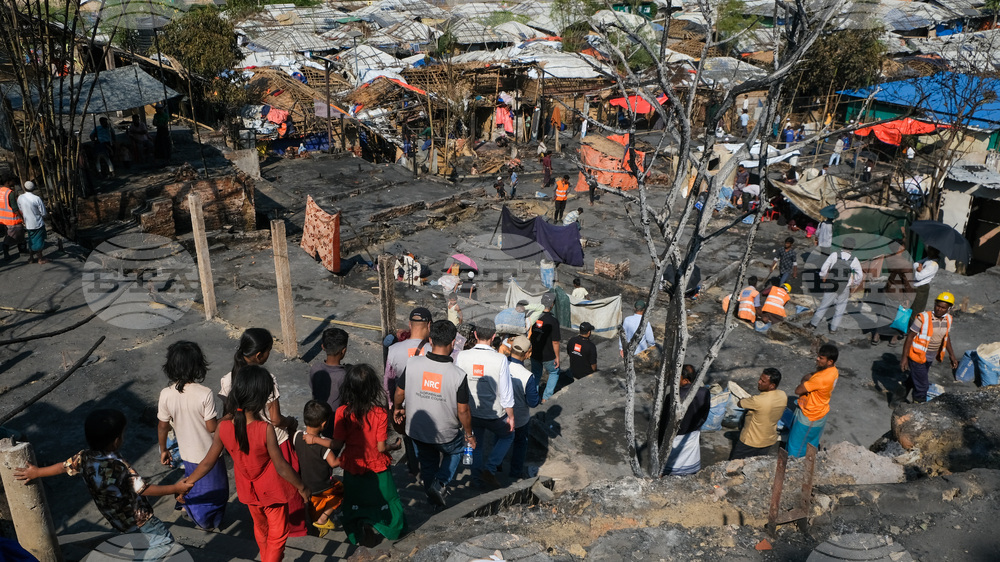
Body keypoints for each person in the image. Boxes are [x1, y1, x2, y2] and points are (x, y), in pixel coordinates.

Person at [15, 409, 192, 559]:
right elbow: (143, 489)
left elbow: (62, 467)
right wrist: (175, 488)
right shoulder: (119, 465)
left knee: (141, 547)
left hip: (118, 520)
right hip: (141, 519)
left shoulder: (83, 457)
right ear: (116, 440)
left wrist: (37, 472)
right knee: (166, 544)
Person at [188, 366, 310, 562]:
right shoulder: (265, 429)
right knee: (277, 536)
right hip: (272, 492)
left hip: (248, 491)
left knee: (261, 528)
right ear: (261, 399)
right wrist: (302, 487)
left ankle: (266, 557)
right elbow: (281, 466)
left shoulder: (223, 427)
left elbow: (208, 461)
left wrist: (188, 482)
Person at [219, 328, 306, 537]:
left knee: (259, 490)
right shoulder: (267, 378)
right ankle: (293, 529)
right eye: (269, 351)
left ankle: (266, 529)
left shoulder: (227, 379)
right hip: (274, 440)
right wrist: (291, 422)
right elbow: (276, 419)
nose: (269, 355)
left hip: (245, 442)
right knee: (287, 487)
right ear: (259, 355)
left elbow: (227, 416)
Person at [314, 364, 408, 545]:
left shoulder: (342, 412)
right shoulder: (380, 413)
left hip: (353, 465)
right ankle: (387, 526)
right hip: (377, 466)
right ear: (373, 388)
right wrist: (395, 447)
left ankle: (361, 526)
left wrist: (315, 439)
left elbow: (337, 444)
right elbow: (381, 447)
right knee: (387, 499)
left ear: (349, 388)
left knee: (355, 501)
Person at [393, 320, 474, 507]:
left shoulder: (413, 363)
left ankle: (432, 499)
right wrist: (469, 434)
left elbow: (399, 392)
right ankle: (441, 483)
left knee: (428, 463)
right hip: (446, 433)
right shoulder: (458, 375)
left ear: (430, 340)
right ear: (453, 343)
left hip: (418, 430)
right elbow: (463, 410)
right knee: (457, 450)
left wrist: (397, 408)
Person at [156, 341, 227, 531]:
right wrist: (228, 418)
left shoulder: (166, 394)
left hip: (187, 453)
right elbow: (212, 427)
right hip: (210, 453)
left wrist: (163, 449)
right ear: (198, 365)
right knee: (216, 491)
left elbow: (162, 426)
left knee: (193, 483)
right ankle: (205, 521)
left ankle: (188, 506)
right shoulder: (205, 393)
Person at [455, 318, 515, 488]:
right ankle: (490, 468)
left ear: (475, 334)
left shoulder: (462, 356)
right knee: (508, 435)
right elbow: (506, 392)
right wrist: (511, 416)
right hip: (494, 413)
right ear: (493, 336)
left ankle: (476, 478)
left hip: (470, 412)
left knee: (476, 443)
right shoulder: (500, 359)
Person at [384, 307, 433, 477]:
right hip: (428, 403)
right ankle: (427, 472)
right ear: (429, 325)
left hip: (403, 404)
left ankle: (414, 468)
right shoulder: (433, 350)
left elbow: (388, 381)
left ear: (410, 325)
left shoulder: (393, 350)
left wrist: (392, 405)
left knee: (408, 436)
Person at [291, 401, 343, 538]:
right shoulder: (324, 444)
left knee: (312, 509)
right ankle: (323, 519)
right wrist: (347, 457)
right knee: (341, 491)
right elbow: (334, 463)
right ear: (324, 424)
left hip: (305, 485)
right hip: (323, 486)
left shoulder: (297, 436)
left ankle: (314, 527)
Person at [901, 292, 958, 403]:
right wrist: (904, 358)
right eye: (938, 306)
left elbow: (946, 337)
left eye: (943, 308)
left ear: (949, 309)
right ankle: (918, 407)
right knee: (923, 386)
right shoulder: (923, 318)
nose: (939, 309)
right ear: (935, 304)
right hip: (917, 356)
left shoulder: (948, 319)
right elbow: (910, 337)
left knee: (914, 379)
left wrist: (952, 355)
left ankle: (896, 399)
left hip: (930, 357)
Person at [788, 344, 839, 457]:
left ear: (830, 361)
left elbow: (798, 390)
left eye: (821, 358)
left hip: (810, 416)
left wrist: (806, 380)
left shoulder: (820, 378)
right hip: (819, 412)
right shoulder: (833, 370)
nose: (817, 359)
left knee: (796, 447)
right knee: (809, 444)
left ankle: (792, 465)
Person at [662, 365, 710, 475]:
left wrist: (661, 439)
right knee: (690, 461)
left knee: (672, 464)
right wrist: (697, 426)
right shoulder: (704, 392)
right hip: (693, 433)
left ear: (685, 380)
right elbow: (705, 414)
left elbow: (665, 419)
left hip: (676, 435)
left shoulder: (673, 397)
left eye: (678, 378)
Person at [809, 238, 863, 333]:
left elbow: (824, 268)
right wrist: (854, 283)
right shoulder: (854, 259)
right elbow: (860, 275)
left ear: (842, 244)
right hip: (844, 287)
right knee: (840, 309)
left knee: (824, 305)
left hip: (831, 284)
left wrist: (823, 278)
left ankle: (813, 324)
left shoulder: (834, 255)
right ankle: (833, 329)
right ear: (853, 247)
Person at [730, 368, 786, 459]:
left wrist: (745, 400)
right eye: (760, 379)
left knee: (736, 464)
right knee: (756, 464)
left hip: (750, 441)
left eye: (763, 381)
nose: (759, 382)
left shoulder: (757, 400)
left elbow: (740, 403)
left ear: (772, 385)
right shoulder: (782, 395)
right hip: (768, 440)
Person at [506, 336, 540, 479]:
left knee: (500, 439)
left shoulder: (501, 365)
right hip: (520, 417)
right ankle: (515, 473)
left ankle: (496, 468)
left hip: (501, 414)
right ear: (527, 354)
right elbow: (533, 402)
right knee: (520, 444)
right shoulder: (528, 376)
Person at [309, 328, 349, 438]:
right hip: (336, 422)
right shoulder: (344, 375)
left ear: (323, 347)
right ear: (343, 350)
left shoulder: (315, 368)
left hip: (316, 418)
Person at [529, 293, 562, 402]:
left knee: (536, 374)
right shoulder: (553, 321)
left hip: (534, 352)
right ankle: (546, 398)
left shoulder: (534, 316)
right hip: (548, 355)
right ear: (552, 304)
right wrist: (557, 357)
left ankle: (534, 397)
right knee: (554, 372)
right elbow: (555, 342)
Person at [17, 181, 47, 264]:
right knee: (39, 241)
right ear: (33, 188)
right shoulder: (36, 198)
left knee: (31, 240)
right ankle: (40, 259)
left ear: (24, 188)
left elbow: (20, 208)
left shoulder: (20, 198)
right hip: (37, 223)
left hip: (28, 223)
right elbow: (43, 213)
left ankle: (31, 258)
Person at [0, 175, 25, 259]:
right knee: (16, 234)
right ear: (8, 182)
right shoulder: (10, 193)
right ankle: (9, 249)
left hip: (3, 219)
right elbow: (15, 208)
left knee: (11, 235)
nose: (14, 182)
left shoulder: (1, 191)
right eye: (12, 181)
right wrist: (21, 218)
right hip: (12, 219)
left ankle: (20, 249)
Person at [910, 248, 939, 318]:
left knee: (916, 311)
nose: (928, 251)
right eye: (928, 249)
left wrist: (918, 269)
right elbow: (915, 264)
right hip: (915, 286)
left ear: (936, 252)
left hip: (921, 288)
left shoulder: (933, 265)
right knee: (910, 308)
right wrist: (918, 268)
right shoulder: (927, 259)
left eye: (931, 250)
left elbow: (918, 277)